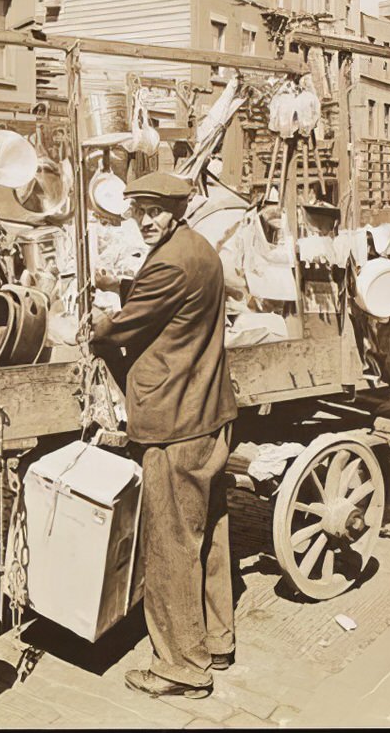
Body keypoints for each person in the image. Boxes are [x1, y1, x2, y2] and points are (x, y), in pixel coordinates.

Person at [90, 171, 238, 700]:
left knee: (172, 543)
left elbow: (121, 329)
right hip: (209, 412)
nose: (145, 220)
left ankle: (182, 666)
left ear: (177, 208)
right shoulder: (197, 247)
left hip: (176, 421)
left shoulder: (171, 262)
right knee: (210, 532)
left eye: (155, 211)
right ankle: (217, 640)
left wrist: (98, 322)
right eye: (139, 212)